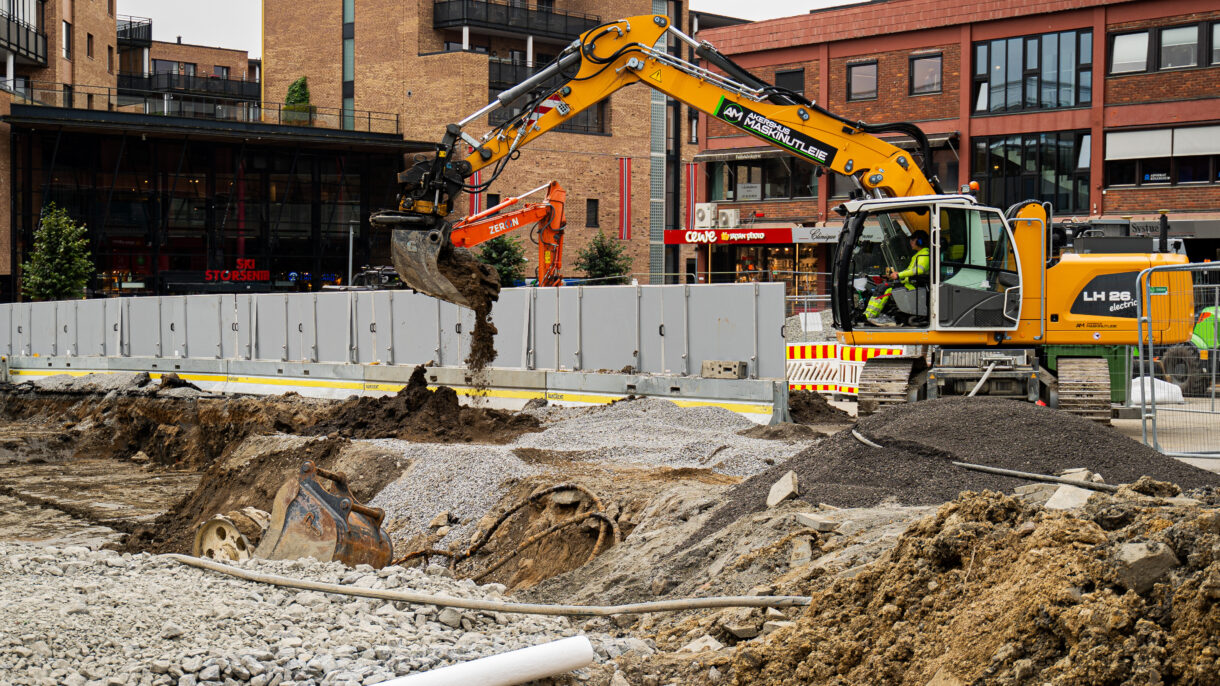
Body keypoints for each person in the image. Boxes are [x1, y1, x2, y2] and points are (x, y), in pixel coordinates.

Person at [864, 230, 930, 325]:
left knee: (885, 288)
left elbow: (919, 271)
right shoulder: (919, 255)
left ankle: (870, 316)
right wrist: (897, 274)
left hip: (913, 286)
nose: (910, 242)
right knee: (881, 287)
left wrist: (899, 275)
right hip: (910, 284)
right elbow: (910, 272)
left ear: (919, 241)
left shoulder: (924, 255)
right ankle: (870, 314)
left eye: (913, 240)